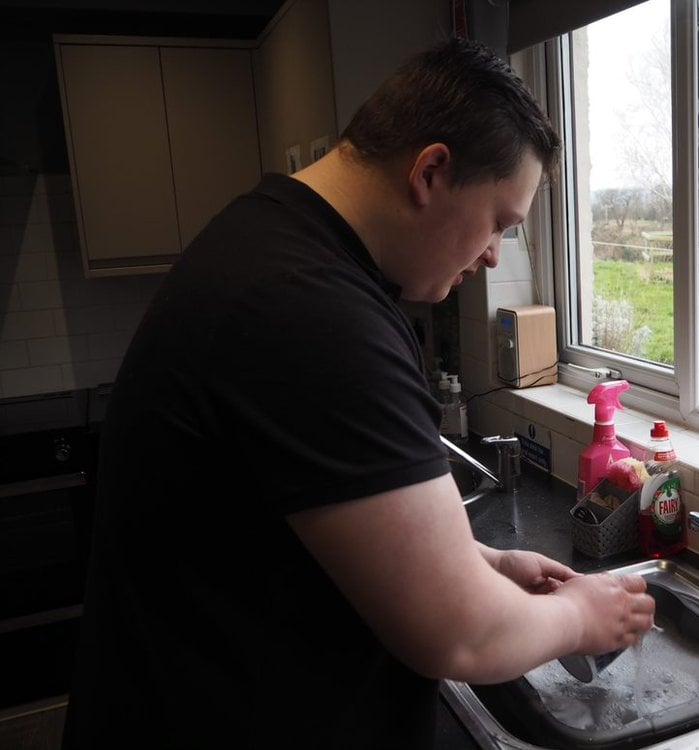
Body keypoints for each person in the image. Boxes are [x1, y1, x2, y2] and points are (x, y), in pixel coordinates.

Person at [62, 36, 655, 749]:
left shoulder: (276, 245)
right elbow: (460, 635)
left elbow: (304, 527)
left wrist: (485, 563)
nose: (495, 253)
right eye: (499, 222)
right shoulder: (313, 313)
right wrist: (584, 618)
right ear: (431, 171)